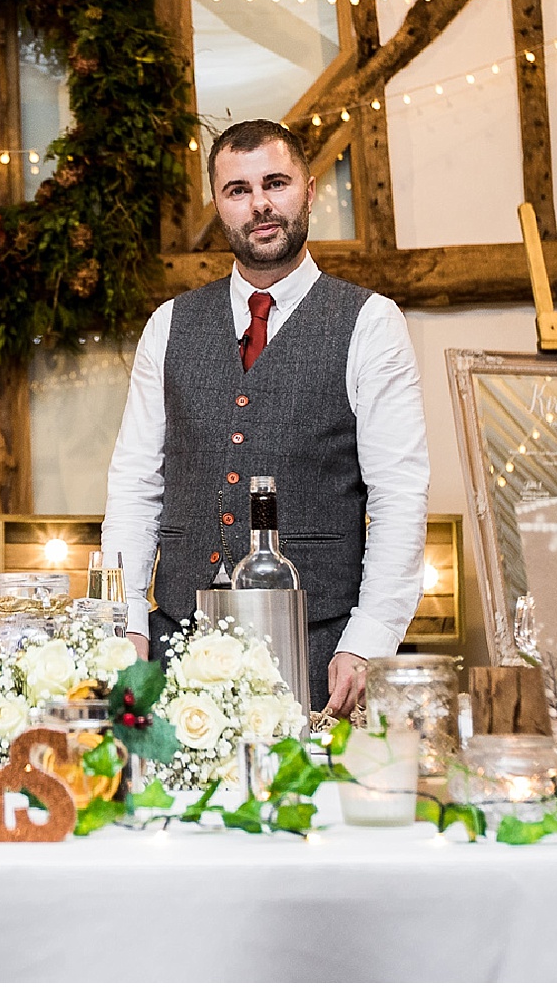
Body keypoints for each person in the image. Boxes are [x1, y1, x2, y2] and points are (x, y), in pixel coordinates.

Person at [101, 119, 430, 716]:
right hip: (177, 655)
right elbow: (135, 488)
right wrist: (124, 624)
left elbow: (399, 495)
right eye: (238, 190)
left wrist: (367, 642)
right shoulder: (168, 326)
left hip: (320, 657)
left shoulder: (371, 324)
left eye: (275, 183)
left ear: (308, 190)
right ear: (219, 206)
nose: (260, 205)